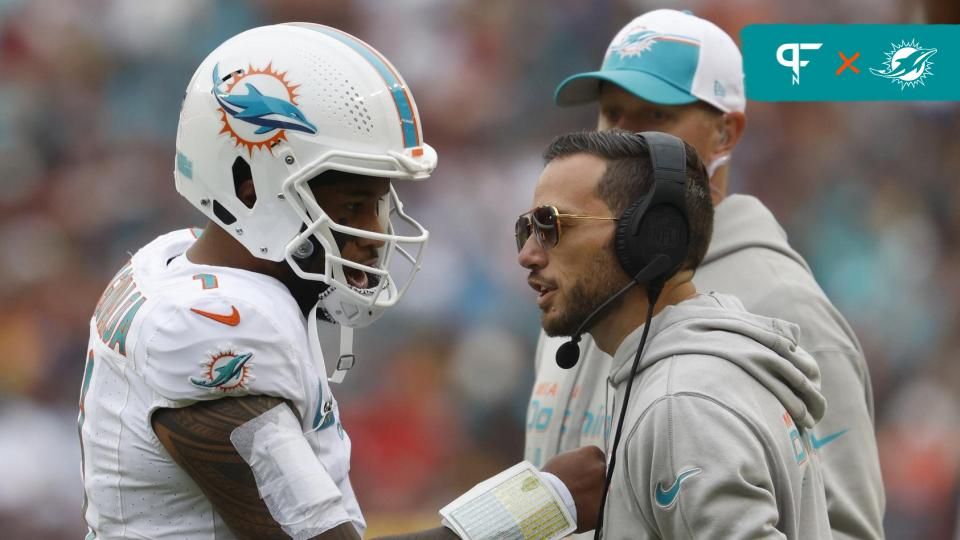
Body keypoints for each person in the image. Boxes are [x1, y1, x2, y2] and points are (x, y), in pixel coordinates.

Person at [78, 23, 606, 540]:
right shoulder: (206, 332)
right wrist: (542, 505)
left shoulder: (174, 262)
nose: (375, 234)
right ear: (248, 188)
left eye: (378, 205)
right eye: (354, 206)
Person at [524, 10, 884, 540]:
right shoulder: (583, 288)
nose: (624, 139)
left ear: (726, 132)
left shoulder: (784, 302)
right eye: (611, 114)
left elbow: (846, 528)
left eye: (653, 116)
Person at [516, 129, 831, 537]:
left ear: (648, 238)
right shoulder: (701, 374)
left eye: (550, 225)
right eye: (526, 229)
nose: (528, 255)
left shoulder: (681, 404)